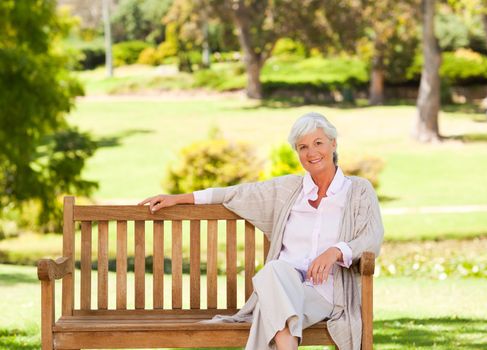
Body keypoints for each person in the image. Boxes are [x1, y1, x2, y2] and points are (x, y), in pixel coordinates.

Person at [138, 112, 384, 350]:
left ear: (333, 143)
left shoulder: (358, 190)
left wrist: (335, 252)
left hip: (326, 292)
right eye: (302, 147)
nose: (311, 152)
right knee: (275, 270)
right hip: (282, 282)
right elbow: (235, 194)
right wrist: (179, 199)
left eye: (318, 143)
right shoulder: (288, 189)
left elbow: (371, 237)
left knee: (272, 307)